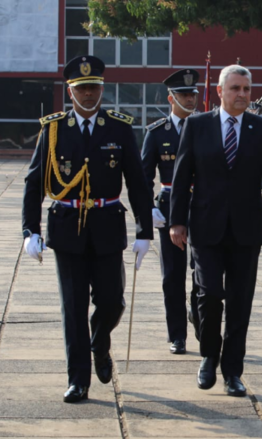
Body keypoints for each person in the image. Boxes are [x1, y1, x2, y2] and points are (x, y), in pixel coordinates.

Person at [22, 55, 154, 403]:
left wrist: (144, 232)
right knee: (73, 306)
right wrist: (29, 230)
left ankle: (99, 341)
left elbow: (137, 183)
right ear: (70, 91)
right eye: (82, 89)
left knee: (112, 301)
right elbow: (34, 182)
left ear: (102, 89)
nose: (89, 94)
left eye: (94, 87)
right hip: (66, 228)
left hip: (108, 225)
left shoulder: (119, 127)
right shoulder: (53, 129)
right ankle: (78, 379)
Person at [169, 65, 262, 397]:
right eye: (235, 88)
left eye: (247, 89)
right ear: (220, 91)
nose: (242, 94)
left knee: (240, 301)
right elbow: (182, 176)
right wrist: (176, 221)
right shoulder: (197, 126)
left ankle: (232, 371)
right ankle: (209, 353)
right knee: (209, 295)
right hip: (206, 226)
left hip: (246, 228)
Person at [141, 69, 202, 354]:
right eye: (184, 95)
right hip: (168, 208)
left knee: (203, 272)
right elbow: (143, 178)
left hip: (202, 206)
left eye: (193, 94)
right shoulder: (157, 133)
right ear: (171, 98)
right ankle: (177, 334)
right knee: (172, 276)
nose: (190, 99)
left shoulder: (206, 128)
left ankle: (201, 320)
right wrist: (148, 209)